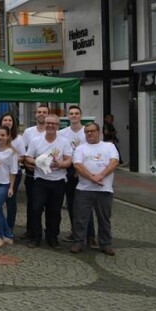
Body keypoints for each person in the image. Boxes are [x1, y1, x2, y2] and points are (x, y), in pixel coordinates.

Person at [24, 114, 72, 249]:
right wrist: (40, 162)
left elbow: (69, 160)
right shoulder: (35, 140)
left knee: (55, 211)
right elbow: (28, 158)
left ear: (58, 126)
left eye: (54, 124)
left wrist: (60, 164)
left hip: (58, 180)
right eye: (48, 123)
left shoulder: (64, 141)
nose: (50, 126)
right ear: (44, 124)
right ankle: (36, 236)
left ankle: (52, 237)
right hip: (40, 180)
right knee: (36, 209)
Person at [71, 123, 120, 255]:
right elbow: (77, 165)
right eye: (87, 132)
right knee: (81, 218)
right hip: (84, 189)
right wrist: (92, 177)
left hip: (104, 190)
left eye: (92, 131)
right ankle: (78, 242)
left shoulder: (109, 146)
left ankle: (105, 244)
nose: (90, 134)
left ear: (99, 132)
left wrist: (101, 176)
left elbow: (114, 162)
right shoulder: (80, 148)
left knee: (104, 219)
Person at [60, 105, 94, 245]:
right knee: (72, 203)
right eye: (71, 113)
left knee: (86, 204)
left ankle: (90, 235)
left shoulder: (86, 132)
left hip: (84, 171)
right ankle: (76, 232)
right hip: (69, 171)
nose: (74, 116)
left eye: (76, 113)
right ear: (68, 116)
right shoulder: (62, 133)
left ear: (81, 116)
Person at [20, 104, 49, 240]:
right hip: (32, 174)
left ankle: (49, 233)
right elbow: (24, 152)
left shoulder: (54, 132)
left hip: (50, 175)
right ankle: (31, 230)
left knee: (49, 206)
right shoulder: (29, 132)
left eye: (44, 112)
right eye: (39, 112)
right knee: (32, 204)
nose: (41, 114)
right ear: (36, 114)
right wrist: (27, 163)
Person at [0, 112, 25, 233]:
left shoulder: (18, 139)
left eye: (10, 120)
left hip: (13, 173)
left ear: (13, 123)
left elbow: (22, 156)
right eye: (5, 120)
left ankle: (9, 227)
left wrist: (9, 159)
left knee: (10, 201)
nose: (7, 122)